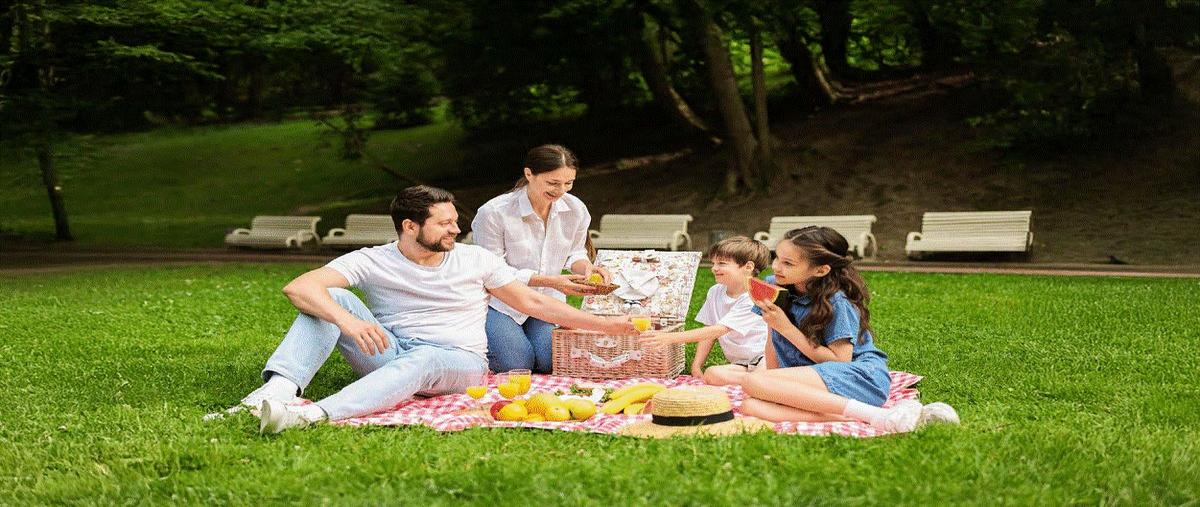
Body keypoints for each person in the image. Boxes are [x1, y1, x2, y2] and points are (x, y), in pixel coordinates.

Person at [242, 185, 634, 433]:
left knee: (426, 358)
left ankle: (312, 414)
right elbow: (299, 287)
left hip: (458, 361)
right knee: (333, 299)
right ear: (410, 226)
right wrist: (346, 320)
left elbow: (532, 302)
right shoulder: (373, 259)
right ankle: (277, 390)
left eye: (455, 221)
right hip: (392, 351)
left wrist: (608, 325)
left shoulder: (475, 259)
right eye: (444, 223)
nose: (455, 230)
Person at [738, 226, 959, 433]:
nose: (776, 267)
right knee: (751, 405)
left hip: (858, 378)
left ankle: (873, 413)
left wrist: (786, 329)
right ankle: (873, 417)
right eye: (776, 257)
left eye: (788, 263)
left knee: (751, 381)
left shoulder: (837, 302)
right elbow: (774, 352)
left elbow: (841, 361)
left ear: (821, 270)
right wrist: (774, 376)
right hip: (814, 384)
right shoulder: (776, 285)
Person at [471, 144, 610, 374]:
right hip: (501, 303)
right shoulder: (494, 212)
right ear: (529, 174)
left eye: (568, 183)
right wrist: (551, 281)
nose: (561, 191)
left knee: (551, 361)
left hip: (546, 302)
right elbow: (492, 271)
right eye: (553, 183)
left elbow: (575, 253)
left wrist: (587, 268)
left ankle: (525, 343)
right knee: (516, 365)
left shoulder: (575, 209)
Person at [638, 236, 770, 386]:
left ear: (748, 267)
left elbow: (719, 330)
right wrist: (696, 365)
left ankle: (763, 381)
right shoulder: (715, 291)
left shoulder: (753, 297)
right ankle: (758, 382)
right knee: (712, 374)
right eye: (714, 263)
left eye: (722, 263)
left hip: (765, 358)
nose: (714, 268)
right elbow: (709, 329)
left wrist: (669, 337)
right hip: (742, 364)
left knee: (761, 376)